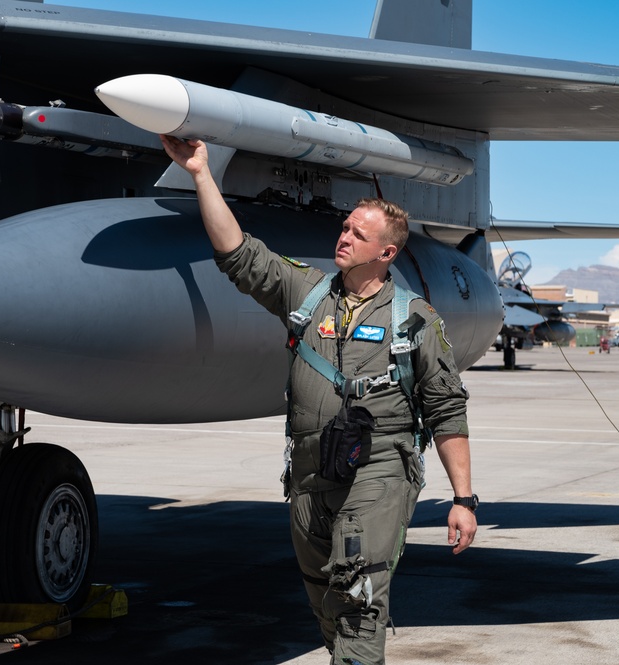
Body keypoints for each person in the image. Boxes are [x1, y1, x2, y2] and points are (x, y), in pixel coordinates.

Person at [160, 135, 477, 665]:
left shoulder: (414, 319)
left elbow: (446, 410)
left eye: (359, 233)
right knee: (326, 603)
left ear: (387, 252)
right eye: (345, 227)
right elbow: (238, 254)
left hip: (379, 469)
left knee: (357, 594)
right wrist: (200, 174)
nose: (344, 237)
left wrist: (463, 500)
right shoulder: (307, 293)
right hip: (309, 472)